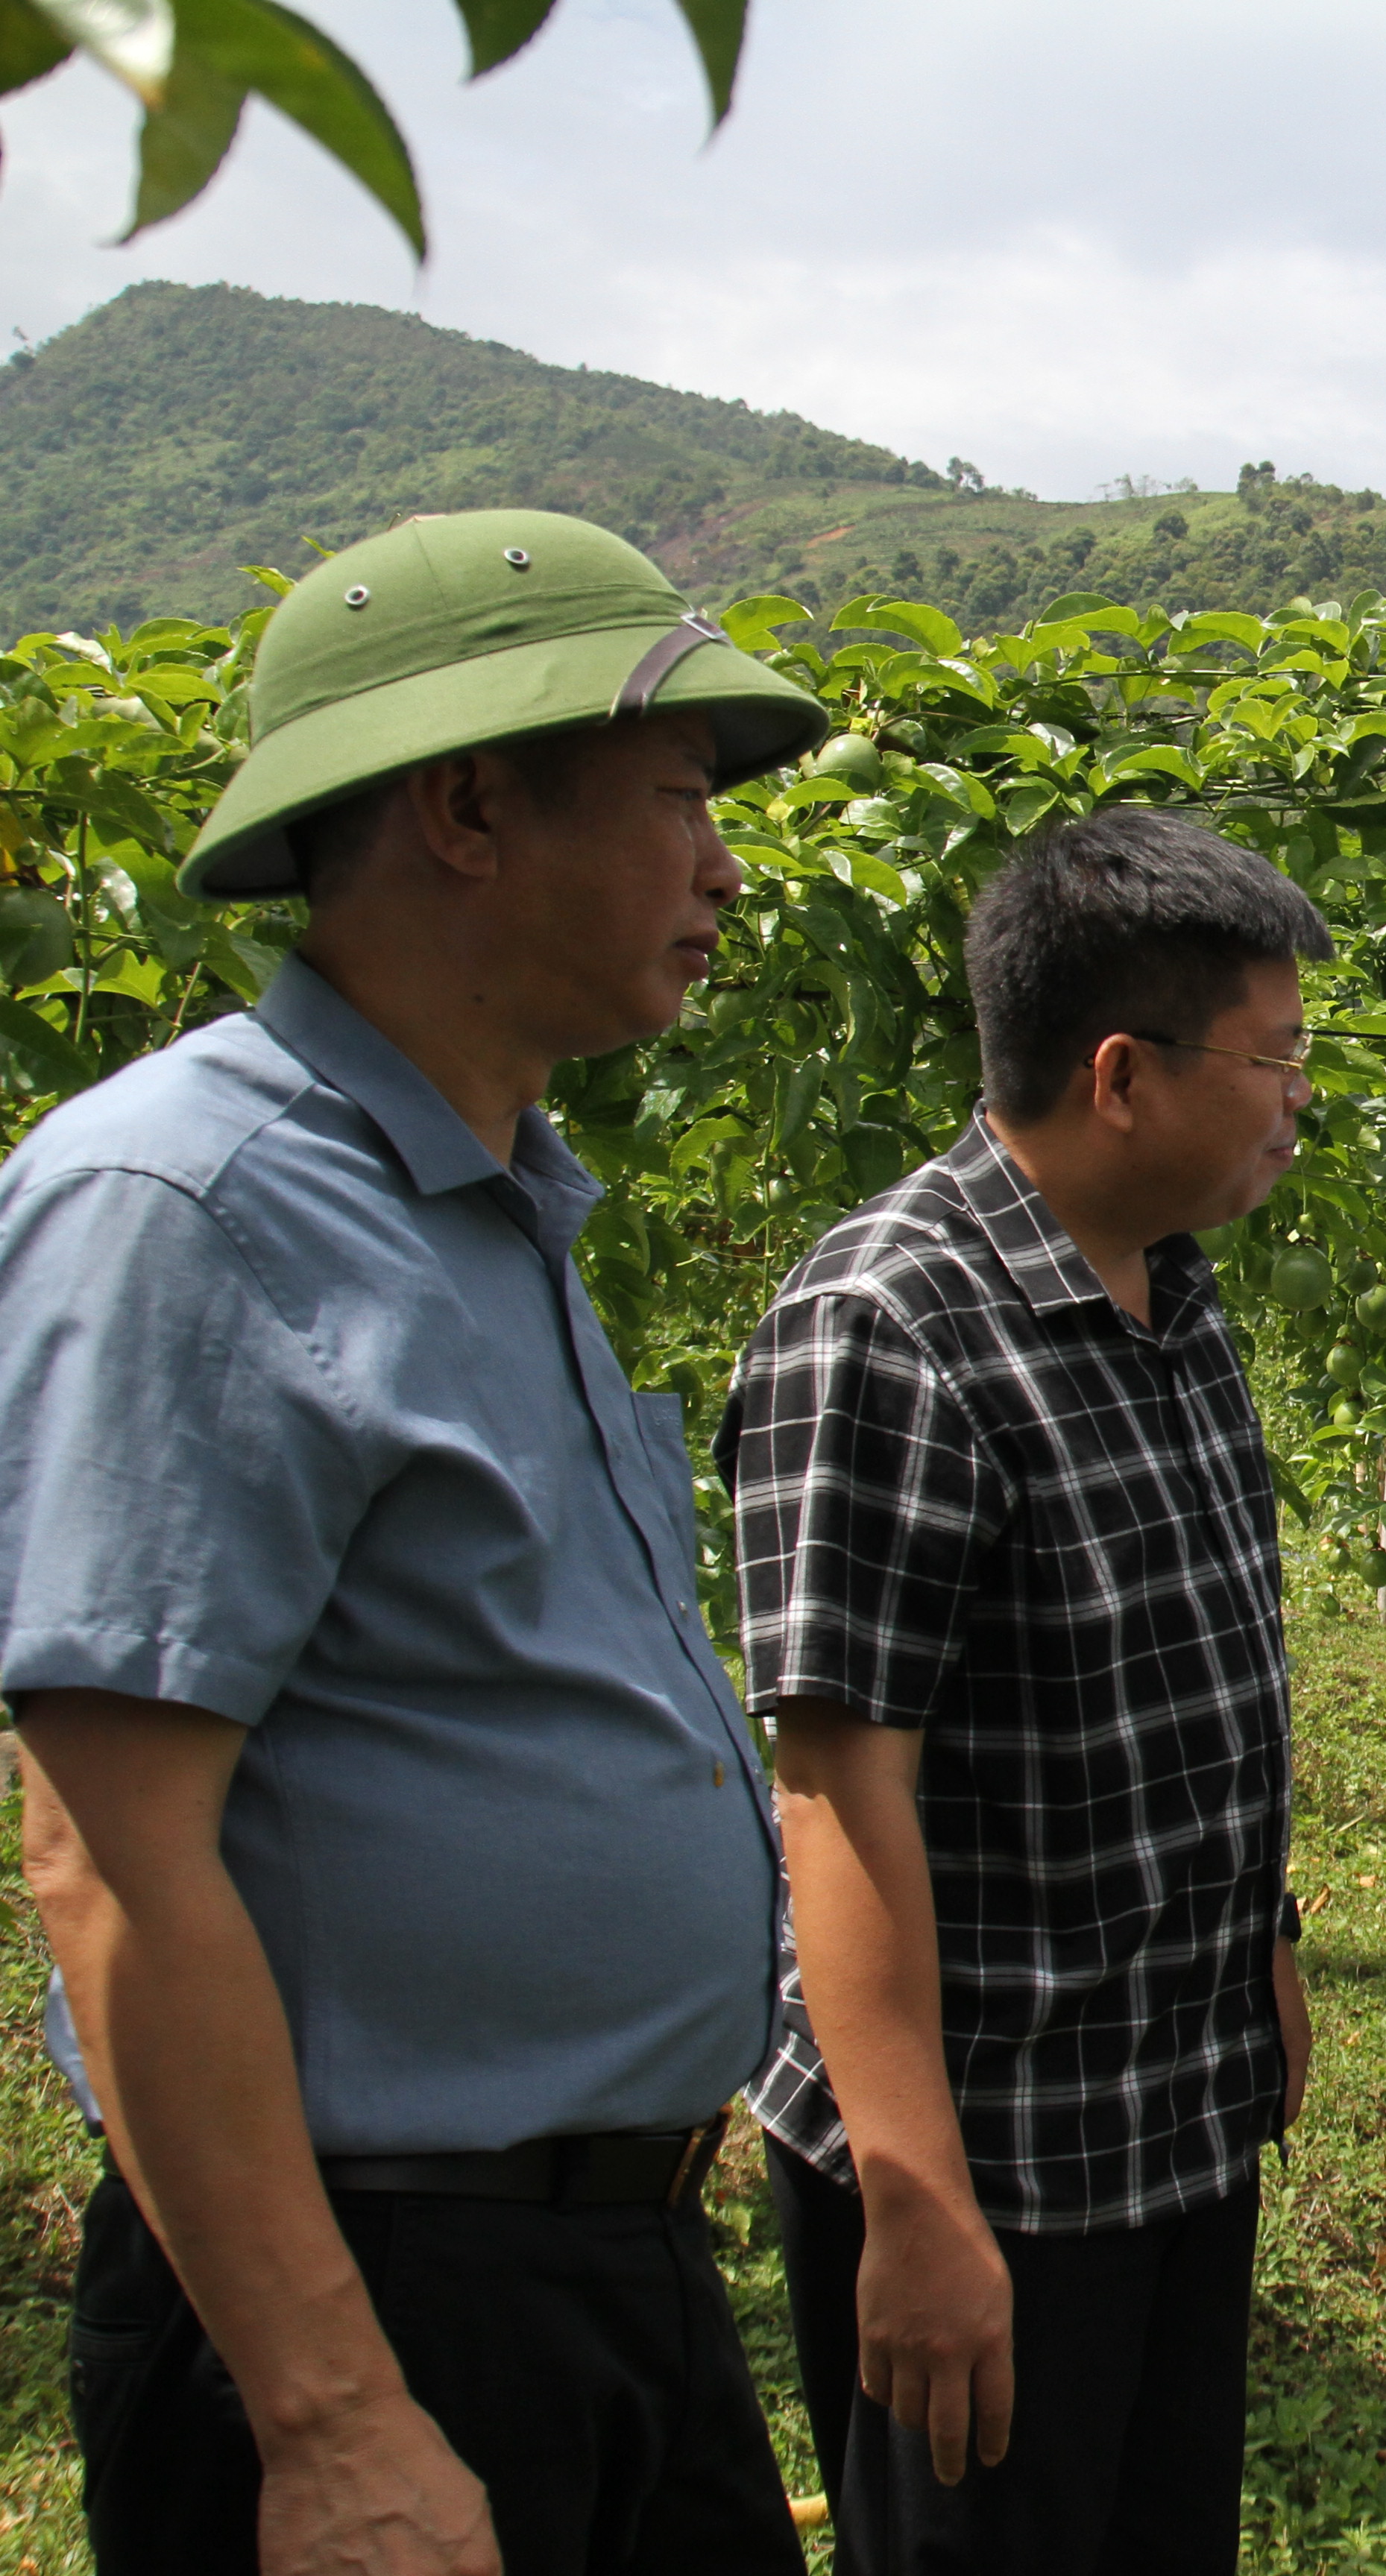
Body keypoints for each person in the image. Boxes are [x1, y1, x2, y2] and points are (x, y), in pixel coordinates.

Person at [0, 508, 828, 2575]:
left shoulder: (494, 1203)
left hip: (610, 2264)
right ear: (467, 810)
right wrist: (334, 2415)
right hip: (379, 2289)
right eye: (679, 799)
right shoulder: (190, 1207)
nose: (726, 868)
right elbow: (109, 1854)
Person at [721, 809, 1332, 2574]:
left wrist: (1264, 1943)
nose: (1300, 1099)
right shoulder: (890, 1328)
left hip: (1170, 2112)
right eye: (1273, 1059)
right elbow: (840, 1790)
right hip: (996, 2158)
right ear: (1122, 1075)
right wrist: (916, 2207)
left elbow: (1188, 1681)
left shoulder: (1173, 1290)